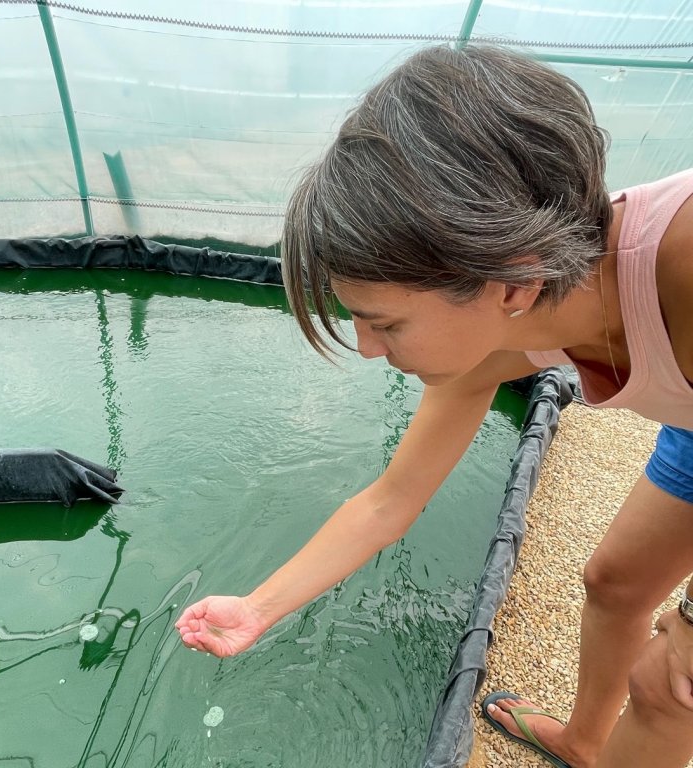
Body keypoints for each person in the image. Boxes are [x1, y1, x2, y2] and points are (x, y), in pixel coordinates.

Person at [173, 44, 693, 768]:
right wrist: (258, 609)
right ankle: (584, 740)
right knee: (616, 582)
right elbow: (390, 502)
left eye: (385, 323)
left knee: (672, 684)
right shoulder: (505, 332)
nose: (367, 349)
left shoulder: (685, 262)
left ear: (510, 282)